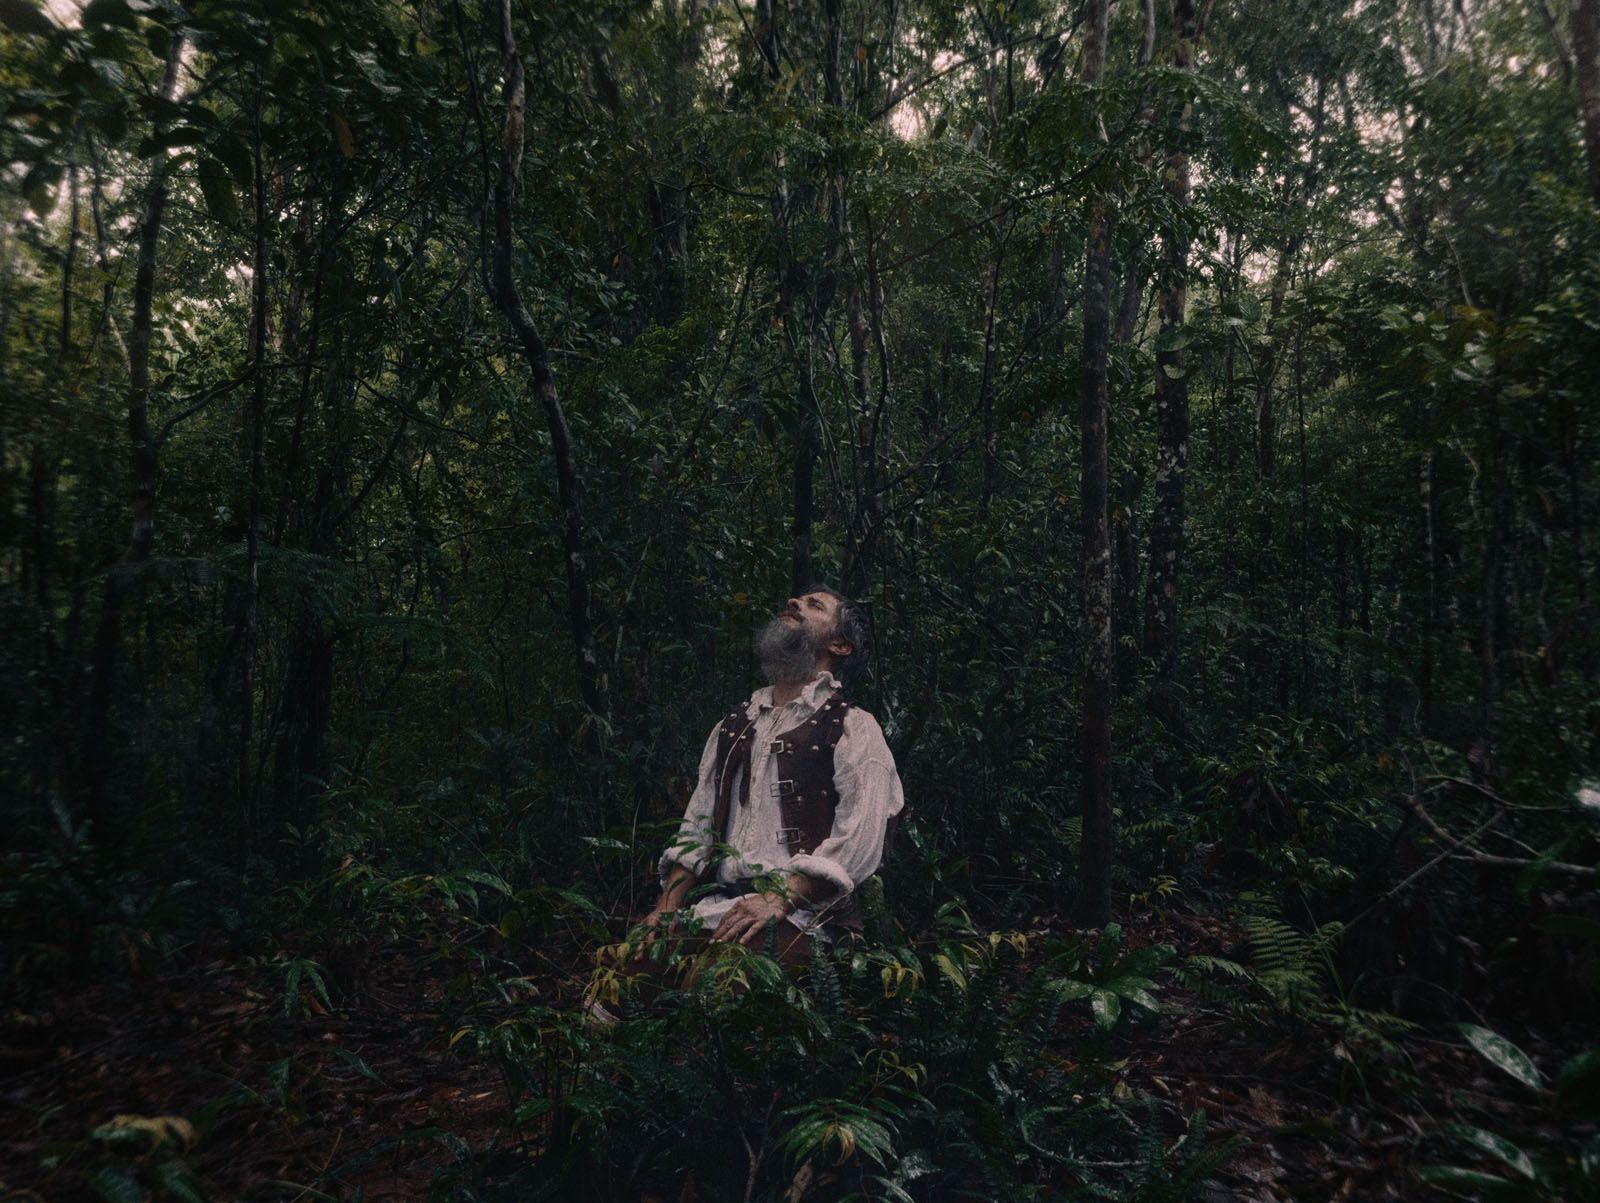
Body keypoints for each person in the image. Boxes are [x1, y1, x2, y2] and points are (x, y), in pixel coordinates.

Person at [638, 587, 905, 967]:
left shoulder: (854, 728)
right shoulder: (733, 726)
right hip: (715, 909)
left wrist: (780, 898)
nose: (794, 602)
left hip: (805, 920)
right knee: (624, 981)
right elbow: (696, 828)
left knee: (712, 986)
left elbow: (861, 841)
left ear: (840, 645)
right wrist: (666, 907)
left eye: (814, 605)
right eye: (795, 600)